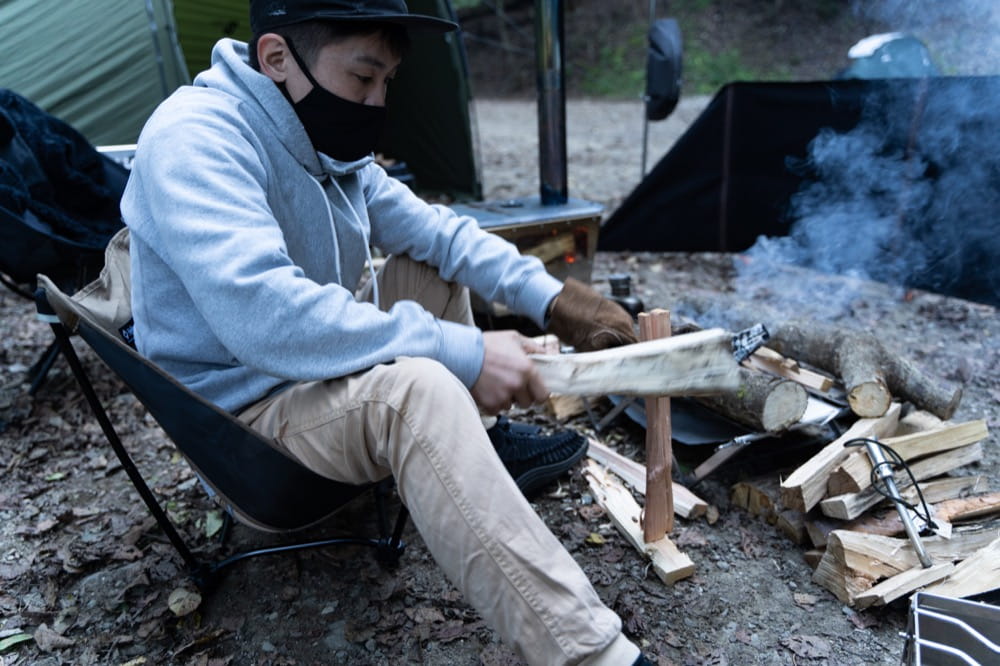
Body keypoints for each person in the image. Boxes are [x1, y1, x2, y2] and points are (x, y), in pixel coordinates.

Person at [121, 1, 653, 663]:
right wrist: (462, 352)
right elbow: (266, 314)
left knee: (428, 266)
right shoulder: (196, 138)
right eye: (363, 77)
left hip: (306, 373)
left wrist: (557, 303)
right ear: (277, 59)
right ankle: (590, 652)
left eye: (387, 83)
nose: (376, 104)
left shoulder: (318, 136)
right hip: (243, 426)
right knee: (419, 388)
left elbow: (439, 234)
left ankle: (478, 446)